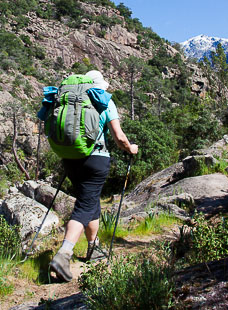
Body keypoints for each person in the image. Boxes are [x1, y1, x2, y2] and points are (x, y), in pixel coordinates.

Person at [49, 70, 138, 282]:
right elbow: (119, 137)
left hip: (70, 158)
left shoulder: (69, 99)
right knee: (85, 205)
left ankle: (93, 247)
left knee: (90, 201)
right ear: (99, 85)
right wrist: (131, 149)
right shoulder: (103, 100)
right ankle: (64, 254)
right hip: (96, 159)